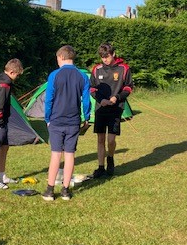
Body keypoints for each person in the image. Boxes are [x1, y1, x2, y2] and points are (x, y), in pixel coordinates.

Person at [42, 45, 91, 201]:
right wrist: (87, 117)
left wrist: (47, 118)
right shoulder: (82, 76)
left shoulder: (54, 75)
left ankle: (50, 191)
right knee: (70, 155)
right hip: (73, 121)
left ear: (61, 57)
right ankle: (65, 190)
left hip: (56, 120)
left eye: (57, 58)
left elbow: (48, 99)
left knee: (56, 154)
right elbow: (86, 101)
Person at [89, 43, 133, 177]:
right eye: (102, 57)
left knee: (111, 140)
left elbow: (128, 88)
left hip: (116, 109)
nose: (105, 60)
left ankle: (111, 160)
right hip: (101, 108)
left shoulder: (124, 68)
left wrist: (117, 97)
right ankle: (101, 167)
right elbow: (92, 89)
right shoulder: (97, 69)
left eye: (107, 56)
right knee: (100, 139)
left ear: (113, 54)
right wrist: (100, 100)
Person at [0, 58, 24, 189]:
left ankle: (2, 176)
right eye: (17, 75)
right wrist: (0, 122)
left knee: (5, 147)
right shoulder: (3, 85)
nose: (17, 77)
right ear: (12, 72)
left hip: (3, 120)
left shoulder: (3, 81)